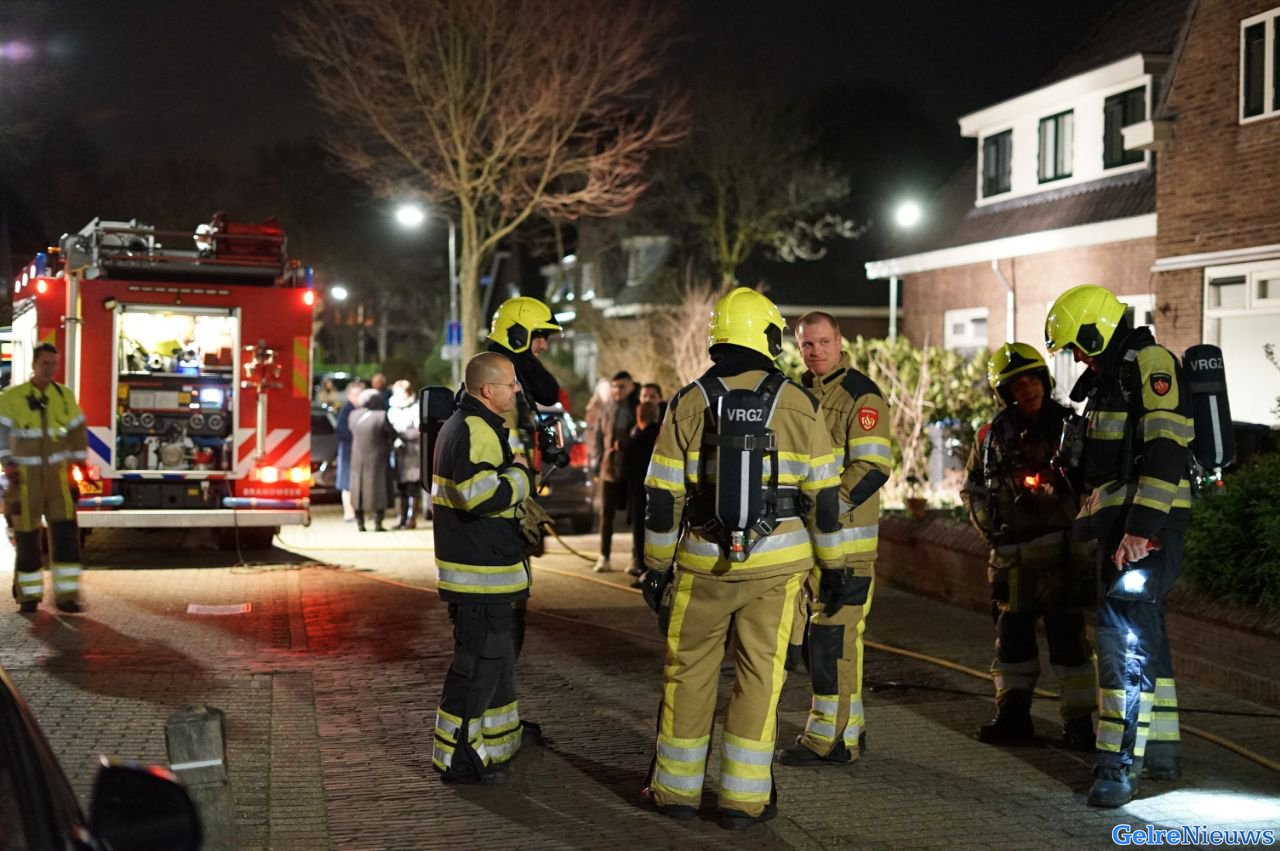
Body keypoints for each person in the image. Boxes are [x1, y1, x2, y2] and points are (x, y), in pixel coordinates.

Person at [637, 287, 843, 830]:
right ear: (769, 337)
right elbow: (824, 499)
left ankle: (676, 792)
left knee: (688, 673)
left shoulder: (688, 400)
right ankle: (743, 802)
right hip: (778, 573)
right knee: (760, 678)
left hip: (702, 566)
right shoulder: (800, 402)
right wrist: (835, 568)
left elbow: (661, 498)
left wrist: (657, 568)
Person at [1045, 284, 1193, 808]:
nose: (1077, 357)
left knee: (1120, 640)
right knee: (1144, 630)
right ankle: (1162, 752)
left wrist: (1139, 530)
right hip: (1124, 527)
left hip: (1144, 528)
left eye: (1077, 346)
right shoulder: (1109, 379)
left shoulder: (1149, 364)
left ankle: (1117, 765)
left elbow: (1167, 449)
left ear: (1095, 330)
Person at [959, 343, 1096, 751]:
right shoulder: (988, 438)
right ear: (1005, 392)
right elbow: (974, 491)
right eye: (1017, 385)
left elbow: (1093, 486)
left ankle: (1079, 723)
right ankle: (1013, 716)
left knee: (1069, 642)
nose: (1028, 390)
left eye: (1033, 380)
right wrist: (992, 532)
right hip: (1010, 558)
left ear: (1045, 380)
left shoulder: (1073, 429)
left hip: (1062, 557)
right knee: (1012, 641)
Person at [778, 311, 892, 766]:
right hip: (810, 543)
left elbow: (873, 468)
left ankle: (826, 740)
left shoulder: (861, 395)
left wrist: (823, 509)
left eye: (824, 342)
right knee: (833, 642)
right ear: (797, 347)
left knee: (832, 641)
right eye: (808, 345)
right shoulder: (798, 394)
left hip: (848, 546)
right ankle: (851, 729)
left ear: (840, 341)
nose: (816, 351)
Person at [430, 352, 538, 785]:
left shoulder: (470, 425)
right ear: (486, 389)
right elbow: (479, 495)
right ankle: (457, 758)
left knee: (494, 662)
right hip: (480, 575)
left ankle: (496, 740)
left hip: (482, 571)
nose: (516, 389)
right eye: (510, 383)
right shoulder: (475, 429)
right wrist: (522, 476)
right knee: (475, 666)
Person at [0, 343, 87, 614]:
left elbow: (76, 429)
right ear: (34, 364)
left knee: (65, 539)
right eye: (46, 363)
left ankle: (67, 597)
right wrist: (8, 464)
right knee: (27, 540)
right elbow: (1, 433)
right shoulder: (12, 397)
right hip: (24, 481)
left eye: (54, 363)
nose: (51, 369)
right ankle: (28, 598)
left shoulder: (63, 396)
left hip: (58, 479)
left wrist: (76, 462)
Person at [592, 371, 637, 572]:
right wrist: (599, 459)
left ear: (632, 387)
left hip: (631, 469)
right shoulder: (606, 407)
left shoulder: (636, 407)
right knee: (606, 514)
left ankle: (636, 558)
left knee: (636, 515)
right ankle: (604, 556)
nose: (618, 390)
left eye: (622, 386)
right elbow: (598, 435)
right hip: (608, 468)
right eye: (615, 386)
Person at [624, 399, 661, 583]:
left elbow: (628, 469)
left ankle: (644, 571)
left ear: (639, 417)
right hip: (662, 491)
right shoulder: (663, 437)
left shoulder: (637, 440)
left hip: (640, 491)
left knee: (641, 533)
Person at [349, 388, 392, 532]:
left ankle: (360, 522)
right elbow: (391, 433)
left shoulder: (353, 415)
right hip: (378, 458)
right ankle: (378, 523)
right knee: (379, 489)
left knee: (358, 489)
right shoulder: (381, 416)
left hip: (357, 458)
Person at [387, 380, 422, 529]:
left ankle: (411, 518)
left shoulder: (415, 408)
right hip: (397, 453)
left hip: (413, 453)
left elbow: (419, 430)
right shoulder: (392, 410)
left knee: (412, 487)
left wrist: (402, 434)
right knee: (399, 488)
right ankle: (400, 517)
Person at [335, 381, 367, 522]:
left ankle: (358, 511)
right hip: (348, 453)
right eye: (356, 394)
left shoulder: (363, 410)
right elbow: (341, 431)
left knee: (358, 484)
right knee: (347, 484)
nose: (359, 397)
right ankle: (349, 512)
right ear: (349, 396)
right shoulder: (346, 411)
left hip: (359, 452)